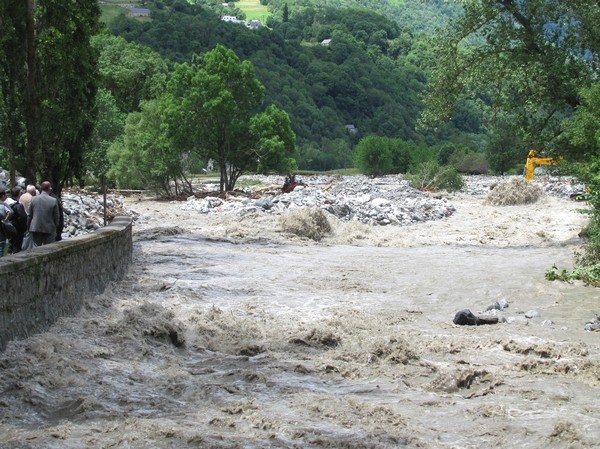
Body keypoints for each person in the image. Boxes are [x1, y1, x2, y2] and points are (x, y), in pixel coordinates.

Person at [27, 181, 60, 247]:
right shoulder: (53, 200)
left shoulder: (33, 199)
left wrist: (28, 226)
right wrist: (56, 226)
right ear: (50, 188)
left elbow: (30, 215)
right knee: (49, 248)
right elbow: (56, 216)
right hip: (49, 228)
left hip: (36, 227)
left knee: (36, 248)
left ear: (41, 188)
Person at [0, 189, 14, 256]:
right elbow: (11, 212)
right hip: (2, 229)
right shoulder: (3, 204)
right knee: (1, 247)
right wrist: (5, 219)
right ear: (2, 196)